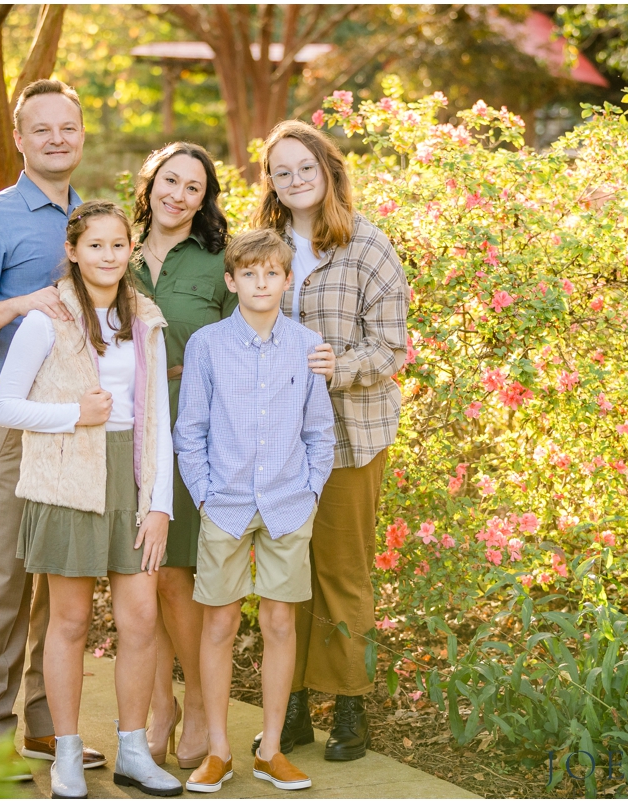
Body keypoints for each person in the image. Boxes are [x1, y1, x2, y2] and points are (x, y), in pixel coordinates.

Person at [0, 78, 105, 780]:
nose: (57, 138)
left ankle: (44, 722)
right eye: (43, 129)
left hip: (78, 422)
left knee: (58, 572)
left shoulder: (90, 218)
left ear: (81, 134)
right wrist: (22, 303)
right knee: (6, 569)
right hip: (10, 414)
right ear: (19, 137)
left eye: (68, 126)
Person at [0, 200, 183, 798]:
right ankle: (67, 753)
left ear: (131, 252)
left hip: (131, 477)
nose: (107, 255)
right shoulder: (48, 319)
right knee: (69, 621)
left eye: (118, 245)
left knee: (141, 620)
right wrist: (75, 414)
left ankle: (132, 749)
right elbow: (4, 406)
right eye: (94, 245)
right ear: (72, 251)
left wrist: (159, 505)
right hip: (66, 480)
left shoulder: (145, 318)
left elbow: (157, 421)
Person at [249, 120, 409, 762]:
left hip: (351, 438)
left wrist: (335, 365)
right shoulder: (264, 250)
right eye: (281, 172)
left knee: (343, 573)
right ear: (272, 182)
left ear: (328, 171)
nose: (294, 181)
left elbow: (391, 346)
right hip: (278, 444)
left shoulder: (368, 247)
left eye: (304, 169)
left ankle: (350, 708)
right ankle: (288, 710)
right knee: (284, 574)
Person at [174, 229, 335, 793]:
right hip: (226, 504)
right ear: (231, 280)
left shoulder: (306, 345)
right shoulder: (208, 346)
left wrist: (311, 491)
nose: (261, 283)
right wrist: (204, 494)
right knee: (218, 622)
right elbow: (189, 431)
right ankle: (218, 752)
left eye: (272, 273)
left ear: (287, 280)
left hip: (289, 505)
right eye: (250, 273)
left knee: (280, 621)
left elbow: (320, 432)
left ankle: (270, 749)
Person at [130, 143, 236, 770]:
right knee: (141, 578)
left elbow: (242, 339)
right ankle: (160, 704)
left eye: (193, 187)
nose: (178, 194)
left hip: (193, 425)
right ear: (150, 184)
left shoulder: (220, 260)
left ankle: (198, 703)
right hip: (125, 428)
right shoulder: (118, 247)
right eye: (169, 180)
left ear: (205, 198)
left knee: (178, 577)